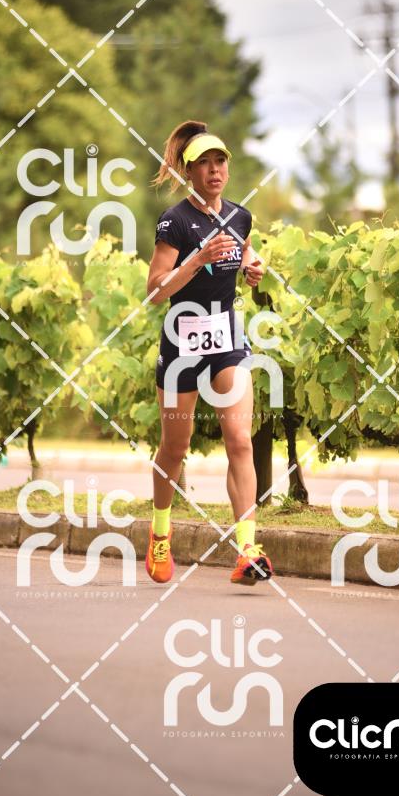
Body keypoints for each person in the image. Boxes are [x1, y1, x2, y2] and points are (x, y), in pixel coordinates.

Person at [145, 119, 274, 587]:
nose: (215, 170)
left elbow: (245, 253)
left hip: (226, 341)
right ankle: (160, 532)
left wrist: (253, 268)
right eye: (204, 163)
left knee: (239, 440)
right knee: (174, 448)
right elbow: (155, 291)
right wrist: (196, 259)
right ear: (189, 171)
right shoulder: (175, 222)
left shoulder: (239, 216)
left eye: (221, 161)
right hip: (182, 343)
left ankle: (248, 550)